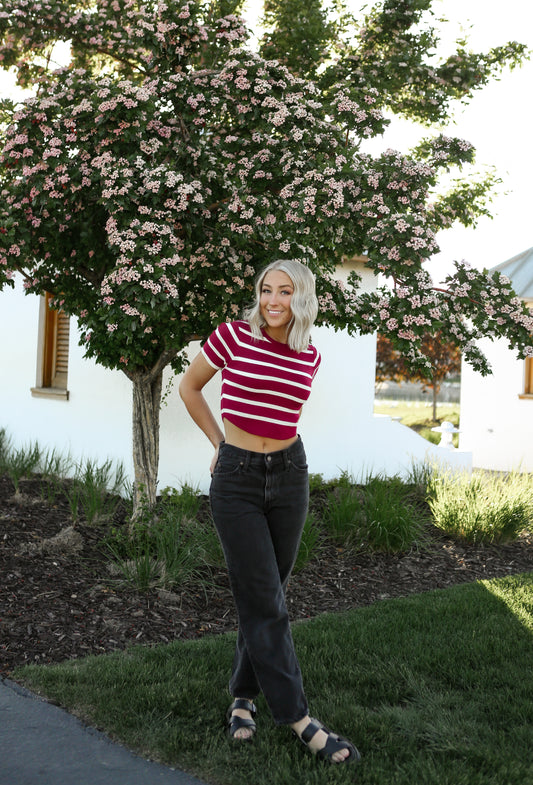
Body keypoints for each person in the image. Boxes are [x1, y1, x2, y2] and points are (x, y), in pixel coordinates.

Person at [179, 259, 359, 765]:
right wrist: (219, 443)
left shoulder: (309, 355)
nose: (273, 301)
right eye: (265, 290)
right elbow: (188, 389)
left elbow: (284, 413)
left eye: (285, 292)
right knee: (265, 601)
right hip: (236, 478)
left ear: (302, 299)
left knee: (267, 595)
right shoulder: (232, 336)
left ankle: (242, 699)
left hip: (289, 476)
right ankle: (300, 719)